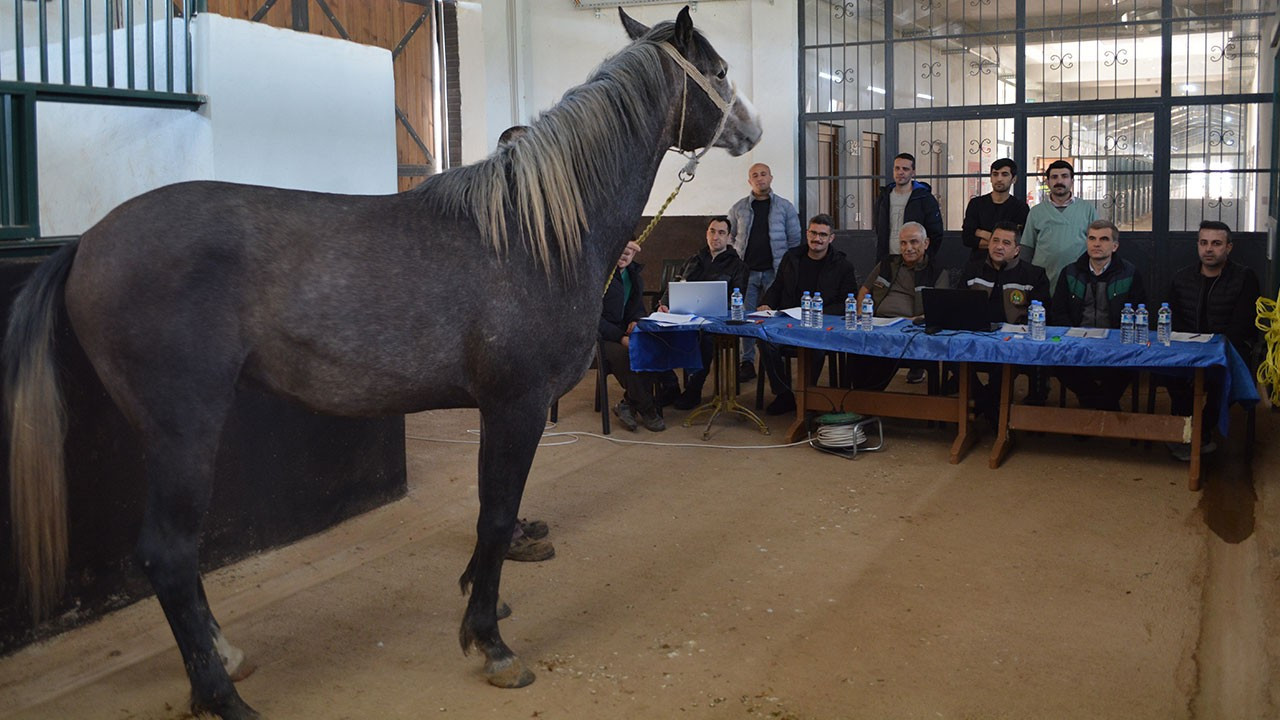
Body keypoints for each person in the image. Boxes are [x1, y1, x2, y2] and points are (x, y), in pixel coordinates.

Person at [498, 123, 555, 562]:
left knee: (510, 437)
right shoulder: (503, 208)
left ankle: (508, 519)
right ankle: (503, 532)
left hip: (520, 330)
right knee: (505, 437)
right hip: (508, 337)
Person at [1162, 220, 1261, 460]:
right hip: (1187, 352)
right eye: (1204, 243)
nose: (1209, 249)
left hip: (1227, 352)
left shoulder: (1244, 278)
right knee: (1170, 374)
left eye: (1216, 244)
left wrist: (1211, 352)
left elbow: (1242, 327)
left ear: (1229, 247)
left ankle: (1200, 432)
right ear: (1197, 245)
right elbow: (1171, 320)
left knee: (1222, 382)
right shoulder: (1182, 278)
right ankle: (1186, 429)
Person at [755, 214, 860, 415]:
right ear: (807, 234)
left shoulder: (842, 265)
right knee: (765, 340)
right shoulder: (792, 257)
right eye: (813, 233)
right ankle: (784, 394)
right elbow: (777, 286)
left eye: (823, 234)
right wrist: (767, 303)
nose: (817, 239)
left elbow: (848, 301)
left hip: (821, 324)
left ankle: (807, 393)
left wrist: (818, 312)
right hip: (787, 322)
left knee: (816, 348)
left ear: (831, 238)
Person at [1049, 219, 1147, 410]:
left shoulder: (1130, 273)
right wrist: (1073, 337)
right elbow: (1058, 312)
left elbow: (1138, 311)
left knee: (1129, 362)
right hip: (1077, 343)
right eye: (1092, 238)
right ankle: (1102, 404)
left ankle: (1092, 406)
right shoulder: (1070, 272)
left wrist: (1116, 340)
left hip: (1115, 345)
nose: (1096, 244)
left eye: (1103, 239)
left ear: (1115, 246)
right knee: (1057, 361)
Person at [659, 216, 749, 410]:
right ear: (707, 233)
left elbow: (738, 298)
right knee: (655, 333)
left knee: (705, 339)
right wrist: (664, 304)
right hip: (684, 317)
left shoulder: (738, 266)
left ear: (729, 238)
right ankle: (670, 385)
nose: (715, 237)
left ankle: (694, 389)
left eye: (721, 233)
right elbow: (675, 285)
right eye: (712, 231)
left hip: (715, 322)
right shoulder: (694, 260)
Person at [961, 221, 1051, 414]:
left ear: (1017, 250)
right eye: (995, 241)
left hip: (1014, 342)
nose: (999, 246)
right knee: (950, 354)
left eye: (1006, 243)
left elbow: (1042, 316)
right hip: (977, 336)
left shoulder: (1034, 275)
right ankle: (987, 405)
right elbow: (958, 304)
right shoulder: (972, 270)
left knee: (1002, 365)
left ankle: (989, 412)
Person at [851, 222, 950, 389]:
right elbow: (864, 290)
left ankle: (865, 400)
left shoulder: (937, 272)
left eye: (914, 242)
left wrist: (909, 321)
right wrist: (861, 313)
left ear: (926, 244)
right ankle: (858, 397)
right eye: (903, 243)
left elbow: (939, 311)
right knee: (853, 347)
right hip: (877, 324)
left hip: (908, 330)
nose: (908, 248)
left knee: (886, 351)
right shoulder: (887, 264)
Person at [727, 163, 802, 380]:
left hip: (775, 273)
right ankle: (747, 362)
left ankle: (774, 358)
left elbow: (795, 240)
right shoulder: (738, 208)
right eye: (755, 176)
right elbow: (729, 236)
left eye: (763, 174)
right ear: (749, 181)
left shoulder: (785, 207)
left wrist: (788, 270)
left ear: (771, 177)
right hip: (747, 274)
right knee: (746, 318)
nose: (760, 179)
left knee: (774, 318)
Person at [600, 240, 665, 433]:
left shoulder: (635, 277)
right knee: (625, 355)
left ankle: (627, 405)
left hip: (621, 333)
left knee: (652, 349)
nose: (624, 255)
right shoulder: (601, 275)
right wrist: (621, 337)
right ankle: (648, 409)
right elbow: (593, 317)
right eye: (621, 250)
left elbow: (637, 308)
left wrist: (636, 320)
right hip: (600, 337)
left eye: (629, 252)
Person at [1020, 160, 1096, 292]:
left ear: (1072, 181)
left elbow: (1097, 242)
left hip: (1079, 277)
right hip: (1043, 277)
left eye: (1064, 176)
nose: (1059, 181)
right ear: (1048, 182)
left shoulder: (1087, 209)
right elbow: (1027, 248)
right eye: (1054, 177)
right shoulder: (1036, 212)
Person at [873, 152, 944, 264]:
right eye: (897, 168)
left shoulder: (924, 198)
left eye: (905, 169)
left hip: (915, 260)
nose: (900, 172)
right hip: (888, 259)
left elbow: (935, 232)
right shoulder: (884, 197)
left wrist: (925, 257)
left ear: (913, 172)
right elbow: (878, 227)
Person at [962, 158, 1030, 263]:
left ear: (1014, 179)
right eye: (995, 174)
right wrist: (1004, 241)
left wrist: (980, 232)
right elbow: (967, 238)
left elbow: (1016, 242)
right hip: (978, 264)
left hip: (1008, 266)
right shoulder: (976, 204)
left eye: (1004, 174)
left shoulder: (1020, 208)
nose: (999, 179)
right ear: (990, 178)